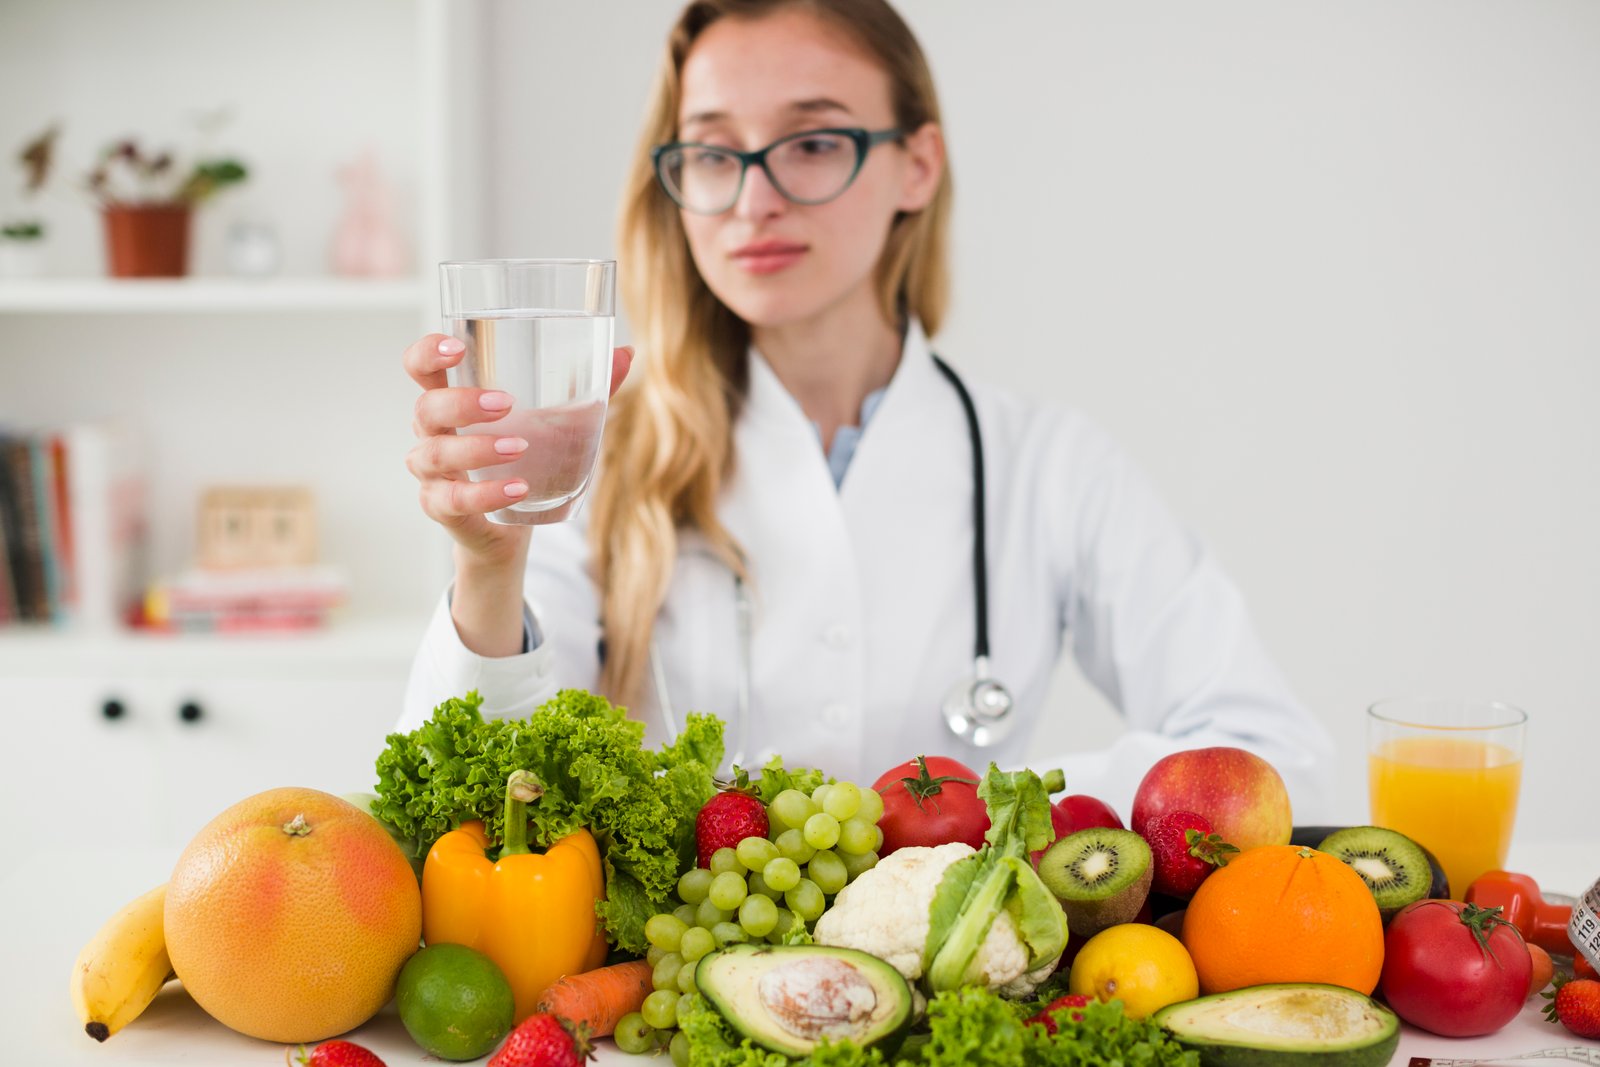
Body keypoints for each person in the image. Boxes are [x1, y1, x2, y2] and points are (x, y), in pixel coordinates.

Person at [398, 0, 1334, 821]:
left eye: (811, 142)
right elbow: (468, 800)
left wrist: (997, 810)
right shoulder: (589, 457)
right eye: (715, 153)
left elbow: (1279, 762)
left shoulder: (1049, 466)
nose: (753, 199)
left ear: (916, 165)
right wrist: (490, 565)